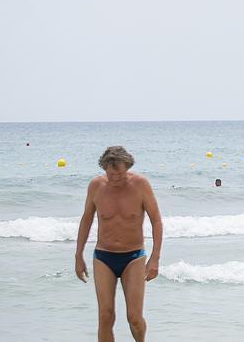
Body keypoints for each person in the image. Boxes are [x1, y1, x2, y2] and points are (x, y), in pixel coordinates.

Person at [74, 146, 163, 342]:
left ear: (128, 167)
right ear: (104, 168)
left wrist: (155, 258)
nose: (115, 178)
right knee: (105, 316)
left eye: (120, 174)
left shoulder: (140, 184)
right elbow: (87, 218)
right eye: (111, 173)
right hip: (103, 256)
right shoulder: (96, 186)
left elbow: (156, 219)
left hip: (133, 257)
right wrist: (78, 255)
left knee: (134, 318)